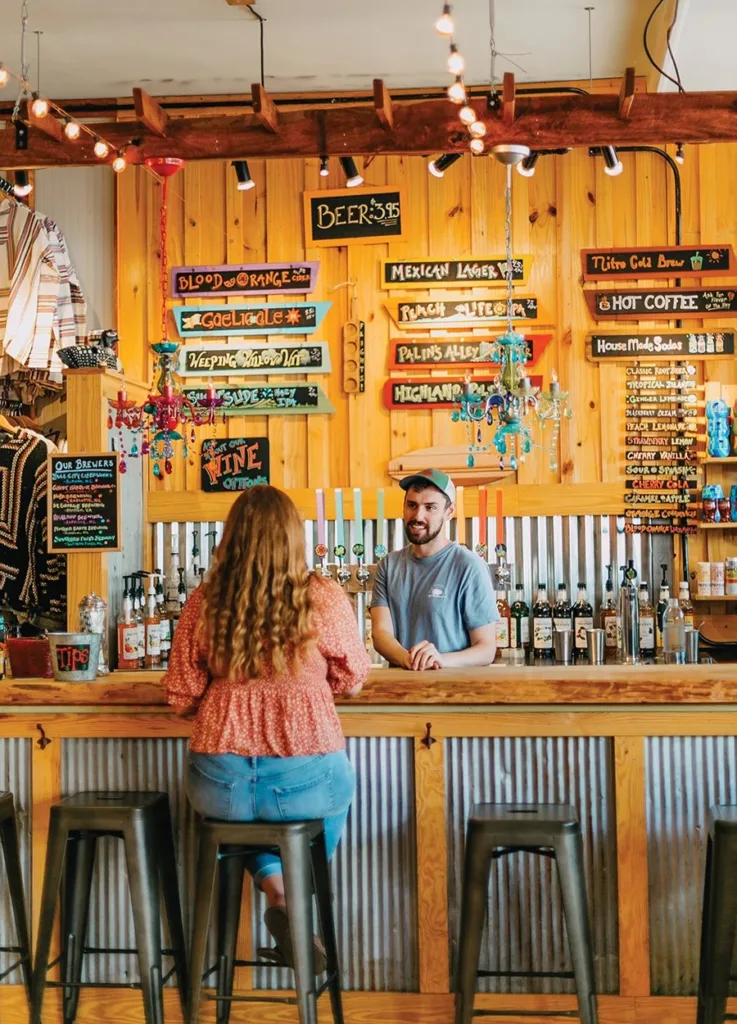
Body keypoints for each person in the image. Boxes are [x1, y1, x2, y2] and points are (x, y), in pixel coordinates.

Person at [164, 485, 370, 970]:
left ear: (230, 539)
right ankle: (292, 896)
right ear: (293, 539)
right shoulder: (321, 595)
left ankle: (276, 891)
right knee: (333, 789)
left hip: (219, 785)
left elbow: (180, 694)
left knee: (246, 819)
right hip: (305, 784)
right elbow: (354, 676)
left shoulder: (204, 600)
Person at [370, 468, 498, 670]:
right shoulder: (388, 565)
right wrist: (408, 660)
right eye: (412, 505)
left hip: (453, 694)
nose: (418, 516)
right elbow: (380, 634)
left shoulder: (469, 566)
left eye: (430, 508)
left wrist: (439, 660)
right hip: (398, 693)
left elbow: (486, 648)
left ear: (449, 512)